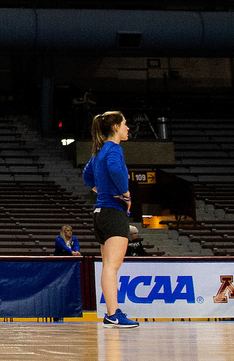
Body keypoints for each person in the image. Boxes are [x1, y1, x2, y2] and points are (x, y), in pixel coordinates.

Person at [83, 111, 138, 328]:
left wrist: (99, 190)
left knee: (107, 265)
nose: (127, 128)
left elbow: (87, 175)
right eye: (125, 123)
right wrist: (125, 194)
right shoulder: (114, 149)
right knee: (112, 267)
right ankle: (114, 313)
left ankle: (110, 313)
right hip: (113, 212)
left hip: (100, 213)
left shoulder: (99, 151)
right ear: (115, 127)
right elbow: (115, 169)